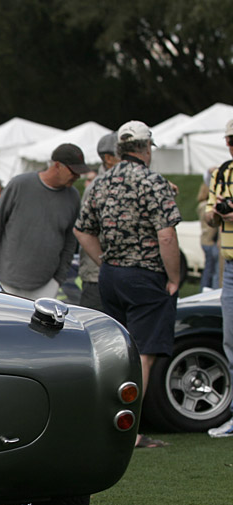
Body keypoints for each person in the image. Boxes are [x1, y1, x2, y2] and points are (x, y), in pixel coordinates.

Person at [74, 121, 181, 448]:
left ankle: (104, 422)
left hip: (112, 276)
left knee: (116, 352)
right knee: (143, 355)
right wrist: (175, 277)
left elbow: (82, 230)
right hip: (146, 275)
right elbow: (166, 234)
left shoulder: (99, 182)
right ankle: (129, 430)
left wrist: (105, 260)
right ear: (146, 148)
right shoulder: (153, 181)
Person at [0, 143, 88, 299]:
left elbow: (70, 241)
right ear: (58, 166)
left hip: (46, 286)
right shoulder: (19, 185)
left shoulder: (73, 197)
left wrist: (58, 279)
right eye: (74, 171)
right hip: (6, 282)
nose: (78, 176)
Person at [203, 119, 233, 437]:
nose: (231, 145)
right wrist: (217, 213)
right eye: (228, 140)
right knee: (231, 341)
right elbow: (209, 212)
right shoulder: (222, 172)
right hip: (231, 266)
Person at [77, 132, 119, 311]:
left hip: (119, 276)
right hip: (97, 277)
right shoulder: (97, 187)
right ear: (108, 158)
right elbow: (83, 231)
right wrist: (105, 265)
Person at [197, 181, 219, 292]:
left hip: (204, 239)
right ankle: (211, 289)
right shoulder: (206, 206)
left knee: (208, 268)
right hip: (210, 241)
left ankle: (205, 288)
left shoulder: (200, 205)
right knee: (213, 269)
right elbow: (212, 224)